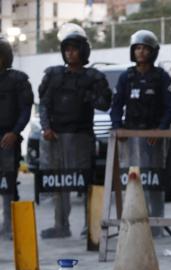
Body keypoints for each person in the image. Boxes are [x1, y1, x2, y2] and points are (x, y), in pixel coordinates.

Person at [38, 24, 111, 239]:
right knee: (59, 183)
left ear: (83, 51)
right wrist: (46, 128)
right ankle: (61, 225)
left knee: (85, 182)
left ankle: (90, 226)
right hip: (56, 137)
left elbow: (105, 103)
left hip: (81, 137)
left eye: (74, 48)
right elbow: (44, 104)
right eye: (67, 49)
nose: (70, 53)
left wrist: (89, 96)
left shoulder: (93, 77)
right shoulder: (54, 75)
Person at [110, 29, 171, 237]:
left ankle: (155, 228)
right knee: (131, 182)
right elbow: (116, 105)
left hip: (153, 140)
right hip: (130, 140)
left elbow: (170, 106)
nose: (141, 52)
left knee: (154, 183)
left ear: (153, 52)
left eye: (145, 48)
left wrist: (161, 130)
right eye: (137, 48)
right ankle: (131, 227)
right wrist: (117, 127)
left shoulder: (162, 77)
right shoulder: (126, 77)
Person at [0, 36, 33, 239]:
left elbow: (25, 109)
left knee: (8, 182)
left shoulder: (18, 80)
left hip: (9, 138)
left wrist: (15, 132)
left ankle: (9, 225)